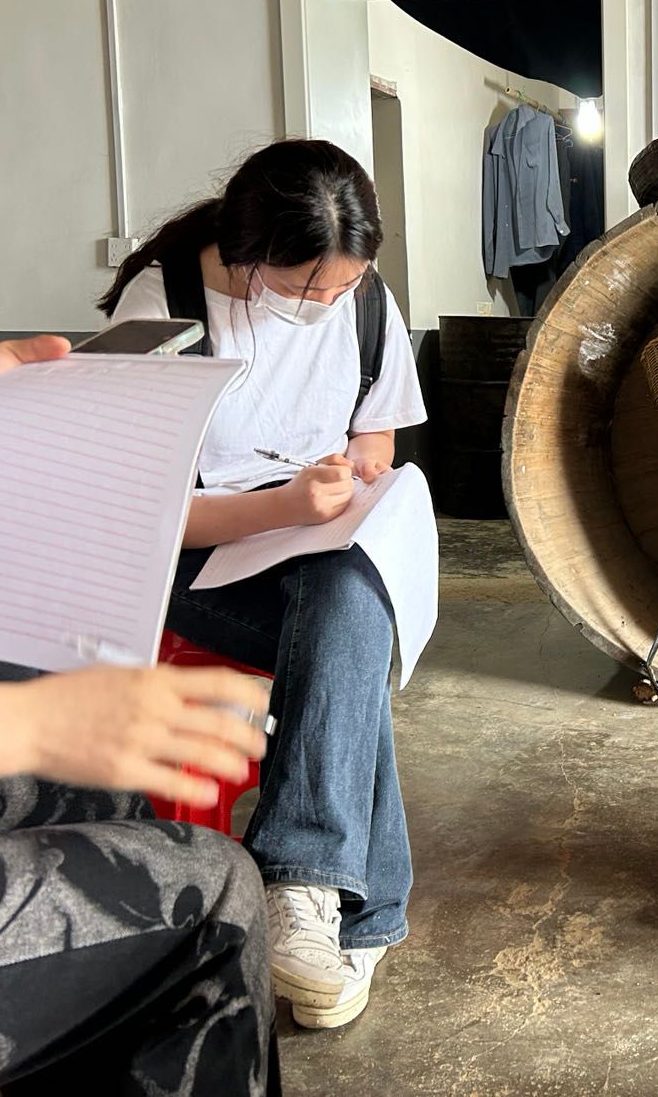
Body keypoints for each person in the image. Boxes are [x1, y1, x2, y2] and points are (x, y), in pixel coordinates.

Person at [0, 0, 278, 1096]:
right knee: (206, 895)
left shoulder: (358, 330)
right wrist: (43, 719)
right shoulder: (165, 287)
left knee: (67, 725)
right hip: (221, 537)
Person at [101, 139, 428, 1029]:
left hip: (314, 538)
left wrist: (356, 475)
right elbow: (139, 510)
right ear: (248, 251)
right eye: (298, 291)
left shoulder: (363, 298)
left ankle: (310, 895)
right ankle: (347, 907)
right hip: (194, 561)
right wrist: (280, 508)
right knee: (348, 635)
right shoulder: (162, 307)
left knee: (347, 592)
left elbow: (376, 433)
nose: (322, 307)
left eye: (340, 291)